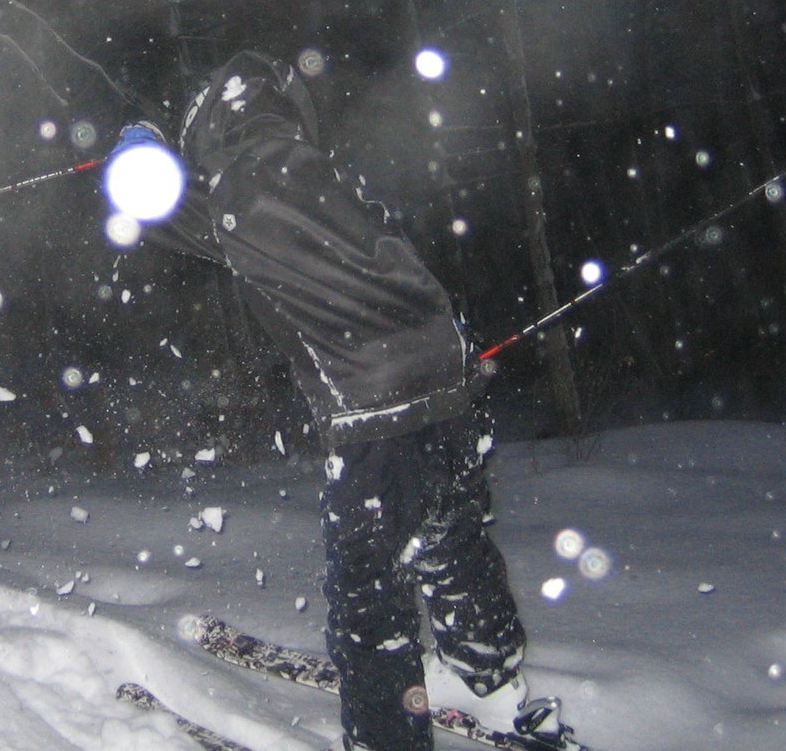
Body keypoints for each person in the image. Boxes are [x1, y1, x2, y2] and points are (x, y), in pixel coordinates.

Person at [106, 51, 567, 751]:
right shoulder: (317, 173)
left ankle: (389, 738)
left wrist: (135, 155)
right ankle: (496, 687)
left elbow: (158, 207)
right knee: (450, 541)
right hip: (449, 387)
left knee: (370, 601)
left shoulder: (245, 185)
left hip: (375, 413)